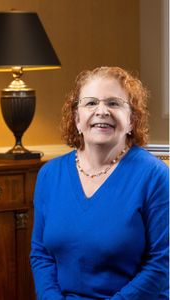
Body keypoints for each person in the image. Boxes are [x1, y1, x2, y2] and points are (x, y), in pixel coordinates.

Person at [30, 66, 169, 300]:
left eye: (114, 103)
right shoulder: (49, 175)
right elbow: (41, 255)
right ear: (76, 119)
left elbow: (161, 264)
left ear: (132, 120)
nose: (102, 111)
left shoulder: (155, 176)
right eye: (91, 103)